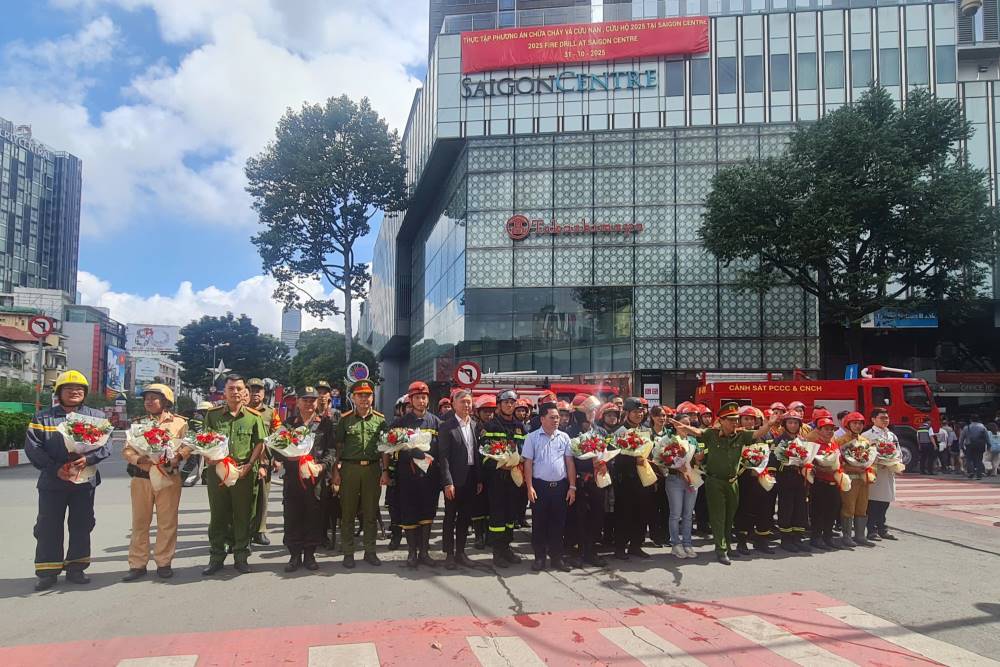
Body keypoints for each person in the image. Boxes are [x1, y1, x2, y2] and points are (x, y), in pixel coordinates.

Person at [25, 370, 112, 592]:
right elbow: (33, 448)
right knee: (47, 526)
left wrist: (88, 458)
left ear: (85, 393)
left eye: (79, 389)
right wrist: (55, 469)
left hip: (84, 481)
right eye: (69, 388)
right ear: (59, 392)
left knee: (82, 524)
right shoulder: (42, 418)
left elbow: (106, 446)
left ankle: (77, 567)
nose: (74, 392)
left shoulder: (97, 417)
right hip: (52, 482)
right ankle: (47, 571)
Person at [671, 402, 776, 565]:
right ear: (721, 421)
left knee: (729, 516)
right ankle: (721, 550)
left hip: (732, 482)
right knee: (718, 516)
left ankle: (727, 545)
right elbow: (698, 432)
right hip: (715, 481)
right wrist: (682, 426)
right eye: (731, 420)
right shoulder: (712, 434)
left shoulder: (741, 435)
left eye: (736, 420)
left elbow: (757, 433)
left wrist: (769, 424)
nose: (735, 423)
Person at [122, 384, 189, 581]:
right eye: (147, 398)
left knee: (167, 522)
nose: (149, 401)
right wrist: (140, 459)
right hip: (142, 478)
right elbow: (127, 450)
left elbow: (188, 446)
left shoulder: (180, 423)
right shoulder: (137, 424)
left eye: (154, 397)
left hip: (168, 477)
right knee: (140, 522)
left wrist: (177, 457)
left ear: (166, 401)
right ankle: (137, 564)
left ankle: (164, 562)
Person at [202, 375, 268, 575]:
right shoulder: (213, 415)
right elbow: (204, 439)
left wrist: (249, 464)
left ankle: (241, 556)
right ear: (225, 392)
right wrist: (208, 456)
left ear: (244, 392)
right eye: (231, 388)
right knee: (218, 515)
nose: (235, 392)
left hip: (242, 473)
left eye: (239, 388)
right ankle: (216, 557)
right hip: (218, 472)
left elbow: (260, 442)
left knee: (243, 516)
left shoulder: (253, 417)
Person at [275, 387, 334, 572]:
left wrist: (323, 466)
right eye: (305, 400)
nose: (309, 403)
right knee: (292, 516)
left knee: (313, 516)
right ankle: (294, 555)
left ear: (317, 402)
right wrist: (284, 458)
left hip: (315, 479)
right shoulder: (289, 423)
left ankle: (310, 555)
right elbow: (276, 448)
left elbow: (331, 451)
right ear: (298, 402)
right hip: (293, 477)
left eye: (312, 400)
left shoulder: (325, 424)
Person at [332, 379, 388, 569]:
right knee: (347, 512)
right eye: (360, 395)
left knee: (371, 512)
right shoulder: (345, 419)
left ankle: (370, 551)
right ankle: (348, 552)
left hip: (372, 470)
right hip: (349, 469)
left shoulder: (380, 420)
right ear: (353, 398)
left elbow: (384, 448)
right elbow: (337, 447)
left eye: (368, 395)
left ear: (372, 397)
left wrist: (385, 471)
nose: (364, 399)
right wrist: (335, 472)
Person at [387, 381, 442, 569]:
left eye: (424, 397)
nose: (421, 400)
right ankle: (412, 553)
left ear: (428, 399)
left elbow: (441, 450)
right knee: (409, 513)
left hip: (429, 477)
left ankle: (425, 552)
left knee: (427, 513)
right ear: (410, 400)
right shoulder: (400, 423)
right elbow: (390, 450)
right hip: (407, 477)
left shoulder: (435, 422)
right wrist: (411, 454)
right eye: (417, 397)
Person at [523, 403, 577, 572]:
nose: (556, 420)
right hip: (540, 487)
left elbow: (569, 463)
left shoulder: (564, 437)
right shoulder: (532, 438)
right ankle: (539, 558)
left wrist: (572, 487)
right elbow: (528, 464)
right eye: (552, 417)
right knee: (539, 523)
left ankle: (557, 558)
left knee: (558, 524)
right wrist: (529, 487)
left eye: (557, 417)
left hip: (560, 487)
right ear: (542, 419)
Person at [480, 389, 526, 567]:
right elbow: (483, 454)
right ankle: (497, 552)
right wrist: (501, 465)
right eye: (506, 402)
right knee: (497, 516)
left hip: (515, 478)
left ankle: (506, 548)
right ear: (499, 405)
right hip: (497, 478)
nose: (509, 405)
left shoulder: (520, 427)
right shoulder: (490, 426)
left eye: (512, 402)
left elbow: (525, 451)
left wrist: (520, 462)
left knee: (510, 516)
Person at [438, 390, 483, 569]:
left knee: (465, 517)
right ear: (454, 404)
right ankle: (449, 554)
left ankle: (461, 552)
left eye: (469, 402)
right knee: (450, 517)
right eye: (463, 402)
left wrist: (479, 479)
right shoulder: (446, 426)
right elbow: (444, 457)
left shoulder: (474, 424)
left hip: (471, 478)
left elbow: (476, 454)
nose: (466, 405)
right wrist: (448, 482)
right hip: (454, 480)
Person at [565, 398, 607, 568]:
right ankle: (577, 552)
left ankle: (591, 551)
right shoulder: (568, 433)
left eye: (594, 410)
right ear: (580, 413)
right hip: (578, 482)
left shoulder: (601, 432)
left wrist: (604, 463)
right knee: (578, 517)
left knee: (597, 516)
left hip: (597, 481)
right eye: (589, 411)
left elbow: (609, 454)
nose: (593, 414)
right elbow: (567, 460)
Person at [611, 397, 653, 561]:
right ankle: (620, 547)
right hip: (625, 479)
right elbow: (613, 457)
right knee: (624, 514)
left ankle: (636, 545)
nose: (639, 414)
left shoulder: (646, 430)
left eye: (641, 411)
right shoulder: (620, 431)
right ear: (627, 413)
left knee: (642, 513)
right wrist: (632, 460)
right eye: (635, 411)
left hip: (644, 478)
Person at [733, 406, 776, 555]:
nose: (750, 422)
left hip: (762, 479)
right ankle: (742, 542)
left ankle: (761, 541)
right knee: (744, 511)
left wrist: (768, 472)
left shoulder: (765, 435)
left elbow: (772, 455)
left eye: (752, 419)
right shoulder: (736, 435)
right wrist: (747, 469)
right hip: (745, 479)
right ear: (740, 421)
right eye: (746, 419)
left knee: (764, 510)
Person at [661, 406, 699, 559]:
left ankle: (688, 543)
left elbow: (698, 459)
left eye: (689, 423)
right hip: (675, 479)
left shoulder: (693, 440)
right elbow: (661, 459)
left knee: (688, 514)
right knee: (676, 514)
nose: (686, 426)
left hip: (691, 478)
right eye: (683, 423)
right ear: (676, 424)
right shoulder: (668, 439)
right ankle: (676, 544)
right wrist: (676, 465)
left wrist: (698, 459)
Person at [773, 411, 811, 553]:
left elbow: (808, 457)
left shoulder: (803, 440)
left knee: (800, 508)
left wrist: (806, 464)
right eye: (790, 422)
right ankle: (786, 539)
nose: (793, 425)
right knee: (786, 508)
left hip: (800, 480)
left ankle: (797, 538)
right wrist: (789, 463)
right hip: (785, 479)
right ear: (784, 424)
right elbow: (775, 461)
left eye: (796, 423)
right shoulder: (779, 440)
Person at [247, 378, 279, 547]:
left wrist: (276, 459)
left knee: (263, 498)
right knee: (243, 499)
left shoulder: (271, 412)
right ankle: (242, 532)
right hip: (244, 461)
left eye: (259, 390)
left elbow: (278, 435)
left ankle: (260, 530)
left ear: (264, 393)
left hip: (264, 461)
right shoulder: (240, 411)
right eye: (252, 389)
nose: (255, 393)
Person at [836, 411, 875, 548]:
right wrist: (853, 469)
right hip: (849, 479)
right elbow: (838, 462)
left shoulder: (865, 441)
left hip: (863, 480)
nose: (858, 426)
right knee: (849, 507)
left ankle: (860, 535)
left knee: (862, 507)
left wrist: (870, 472)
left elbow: (871, 460)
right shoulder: (841, 441)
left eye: (860, 423)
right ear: (848, 424)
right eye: (855, 423)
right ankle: (846, 536)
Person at [863, 408, 900, 541]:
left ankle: (882, 527)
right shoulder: (867, 435)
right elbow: (863, 454)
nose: (885, 420)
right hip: (875, 472)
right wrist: (878, 460)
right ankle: (871, 529)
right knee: (874, 501)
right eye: (882, 418)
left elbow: (898, 451)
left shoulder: (891, 435)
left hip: (888, 472)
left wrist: (897, 462)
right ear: (873, 419)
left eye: (886, 418)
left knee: (885, 501)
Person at [808, 416, 842, 550]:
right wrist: (822, 468)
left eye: (831, 429)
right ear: (819, 430)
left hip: (834, 483)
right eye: (826, 429)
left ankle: (828, 536)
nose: (829, 432)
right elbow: (809, 464)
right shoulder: (814, 445)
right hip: (820, 483)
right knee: (818, 512)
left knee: (832, 511)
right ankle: (816, 537)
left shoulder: (834, 444)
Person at [471, 394, 497, 549]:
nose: (489, 414)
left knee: (489, 505)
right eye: (485, 411)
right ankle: (478, 535)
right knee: (477, 506)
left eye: (491, 411)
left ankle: (488, 535)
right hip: (476, 472)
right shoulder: (473, 428)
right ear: (478, 412)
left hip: (492, 473)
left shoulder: (496, 426)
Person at [646, 406, 671, 548]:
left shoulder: (670, 433)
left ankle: (666, 535)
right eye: (659, 416)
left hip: (669, 474)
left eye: (664, 415)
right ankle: (656, 536)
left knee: (667, 507)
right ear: (652, 417)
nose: (662, 418)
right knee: (654, 507)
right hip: (653, 474)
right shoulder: (648, 433)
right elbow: (645, 454)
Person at [960, 415, 989, 480]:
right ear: (978, 420)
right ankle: (979, 475)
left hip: (969, 445)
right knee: (979, 459)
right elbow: (987, 437)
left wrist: (961, 446)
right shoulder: (982, 427)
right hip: (980, 445)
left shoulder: (966, 427)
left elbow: (961, 438)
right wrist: (989, 445)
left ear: (970, 420)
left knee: (969, 459)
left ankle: (971, 472)